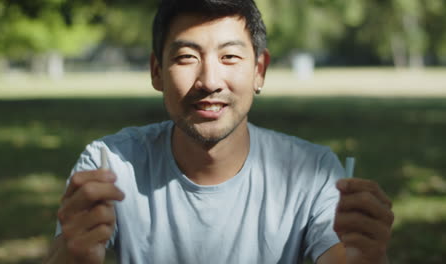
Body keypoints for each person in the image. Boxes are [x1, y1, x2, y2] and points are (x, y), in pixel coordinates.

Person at [44, 0, 394, 263]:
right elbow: (74, 250)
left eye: (229, 57)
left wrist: (365, 256)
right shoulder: (110, 166)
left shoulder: (313, 171)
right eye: (186, 57)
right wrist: (72, 255)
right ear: (156, 71)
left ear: (260, 70)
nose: (210, 82)